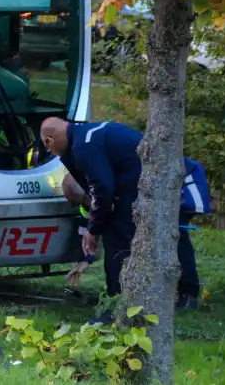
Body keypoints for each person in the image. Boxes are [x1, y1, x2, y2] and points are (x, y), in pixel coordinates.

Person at [41, 118, 210, 313]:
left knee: (172, 236)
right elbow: (96, 214)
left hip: (180, 183)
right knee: (121, 233)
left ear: (49, 141)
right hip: (149, 187)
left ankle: (185, 296)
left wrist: (94, 229)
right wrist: (85, 258)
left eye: (83, 201)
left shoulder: (84, 147)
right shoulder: (85, 137)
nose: (85, 205)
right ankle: (126, 298)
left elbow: (103, 193)